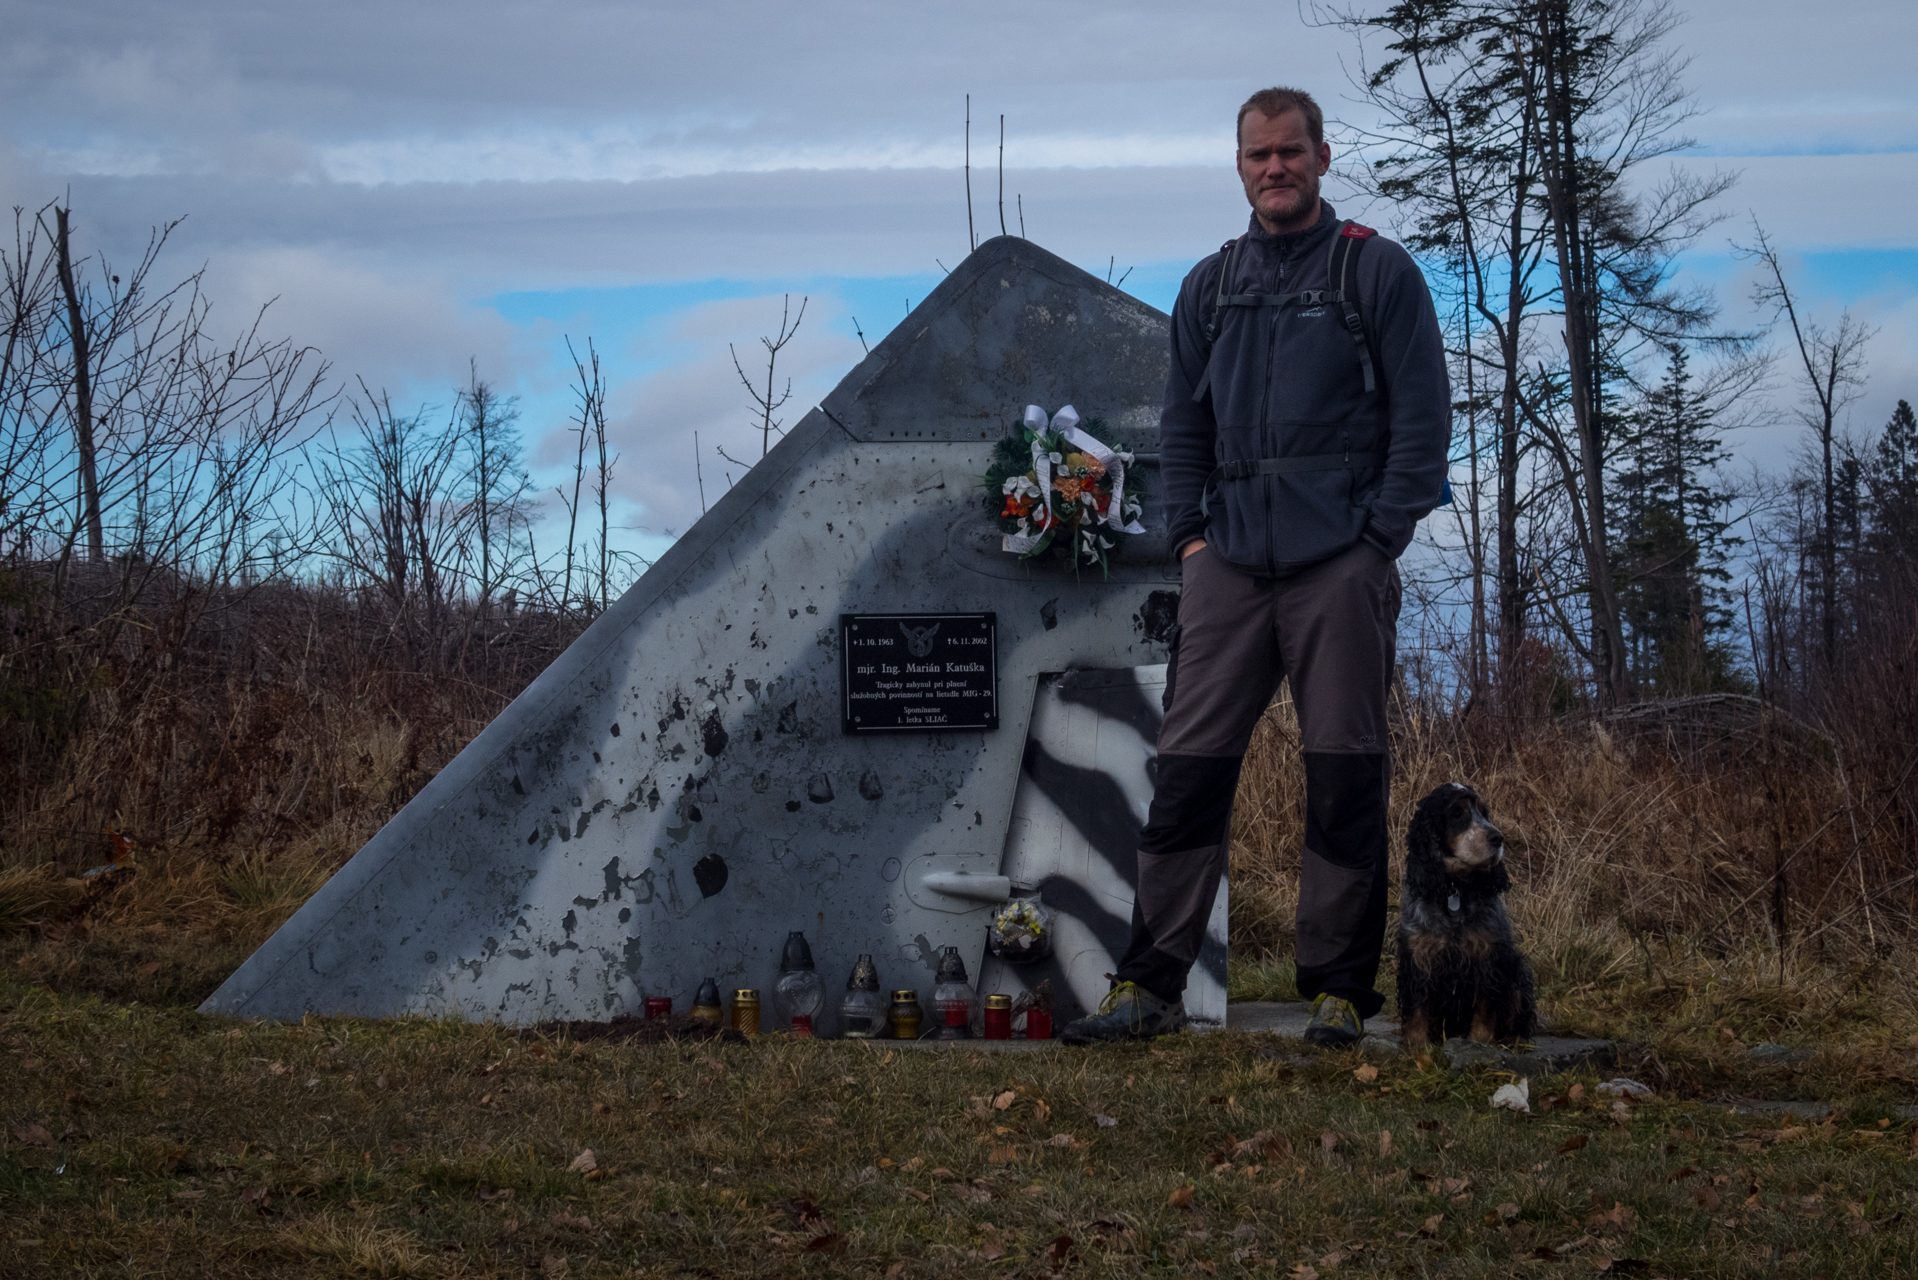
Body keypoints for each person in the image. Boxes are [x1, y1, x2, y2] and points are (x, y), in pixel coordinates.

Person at [1062, 86, 1450, 1047]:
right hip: (1227, 562)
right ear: (1239, 166)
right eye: (1257, 156)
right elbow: (1182, 427)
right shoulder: (1209, 286)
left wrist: (1375, 546)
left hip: (1339, 566)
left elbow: (1425, 424)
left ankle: (1337, 994)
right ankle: (1150, 985)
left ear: (1322, 157)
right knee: (1187, 772)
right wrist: (1189, 546)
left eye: (1290, 152)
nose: (1274, 168)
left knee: (1345, 776)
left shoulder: (1377, 274)